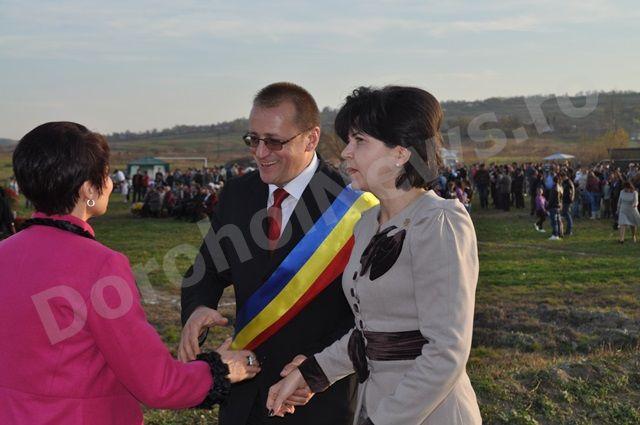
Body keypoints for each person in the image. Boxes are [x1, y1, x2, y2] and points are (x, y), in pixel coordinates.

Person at [0, 122, 261, 424]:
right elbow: (157, 383)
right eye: (106, 174)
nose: (110, 183)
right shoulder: (100, 266)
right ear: (88, 189)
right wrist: (222, 369)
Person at [266, 86, 482, 424]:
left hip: (429, 413)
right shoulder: (367, 224)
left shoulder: (438, 222)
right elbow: (372, 333)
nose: (346, 153)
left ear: (400, 153)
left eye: (360, 141)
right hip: (375, 402)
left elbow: (446, 352)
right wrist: (312, 373)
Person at [179, 83, 371, 425]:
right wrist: (197, 308)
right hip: (243, 396)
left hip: (313, 397)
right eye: (253, 139)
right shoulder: (238, 193)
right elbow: (205, 271)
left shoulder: (352, 204)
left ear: (311, 139)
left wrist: (318, 368)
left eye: (274, 141)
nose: (260, 152)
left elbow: (369, 312)